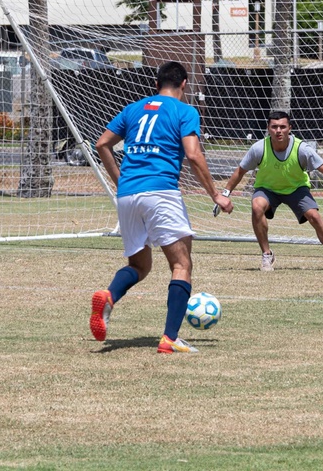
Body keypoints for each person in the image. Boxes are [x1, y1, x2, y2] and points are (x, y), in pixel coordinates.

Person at [89, 61, 232, 354]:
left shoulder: (133, 109)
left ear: (156, 84)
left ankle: (109, 295)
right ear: (184, 84)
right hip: (161, 191)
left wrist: (121, 181)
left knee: (140, 266)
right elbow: (193, 155)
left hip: (128, 195)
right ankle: (170, 338)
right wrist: (216, 194)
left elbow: (102, 144)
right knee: (181, 265)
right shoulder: (185, 111)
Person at [217, 111, 323, 272]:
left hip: (297, 189)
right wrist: (224, 194)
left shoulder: (302, 149)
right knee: (256, 206)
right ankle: (267, 255)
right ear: (268, 129)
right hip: (267, 189)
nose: (278, 130)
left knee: (314, 216)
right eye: (274, 127)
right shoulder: (259, 148)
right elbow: (240, 171)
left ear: (290, 128)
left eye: (282, 127)